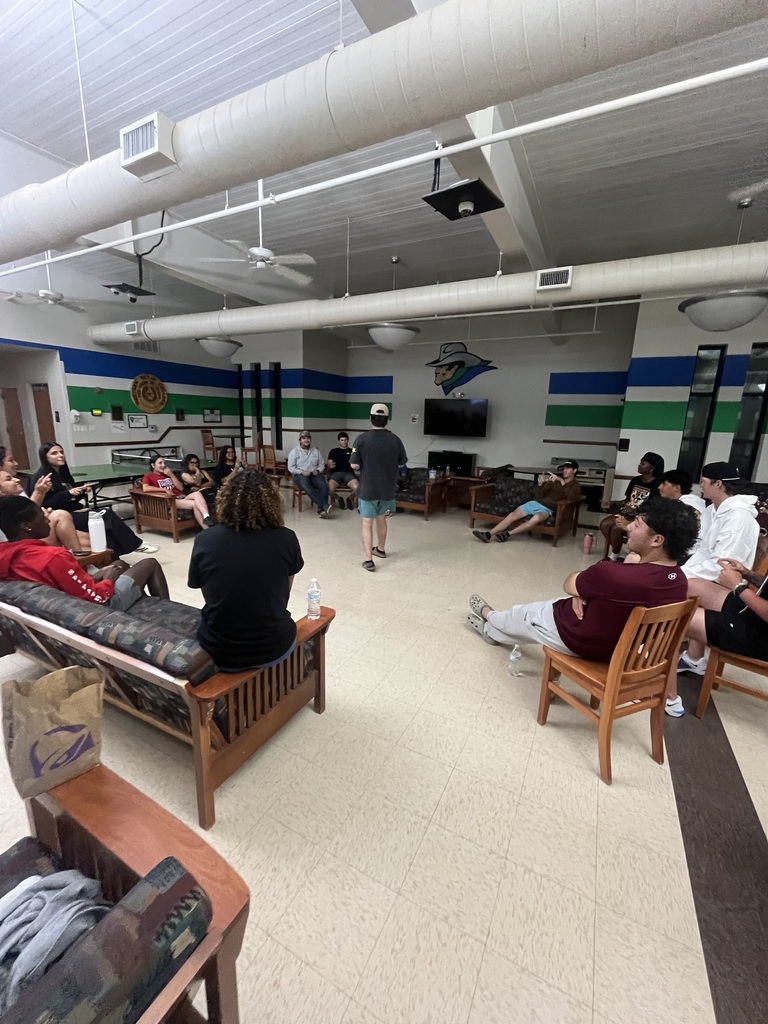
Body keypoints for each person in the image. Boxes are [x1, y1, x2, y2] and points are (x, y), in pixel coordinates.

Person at [467, 498, 698, 664]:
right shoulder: (679, 583)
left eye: (637, 524)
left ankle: (489, 617)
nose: (628, 527)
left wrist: (579, 592)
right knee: (527, 621)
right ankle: (492, 631)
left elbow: (569, 583)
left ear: (657, 540)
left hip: (575, 636)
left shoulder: (613, 574)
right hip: (618, 651)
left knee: (522, 616)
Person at [188, 469, 304, 672]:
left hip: (220, 648)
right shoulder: (287, 538)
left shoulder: (205, 540)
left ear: (226, 501)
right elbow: (283, 593)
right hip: (274, 645)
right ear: (272, 502)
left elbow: (210, 595)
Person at [0, 497, 168, 610]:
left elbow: (60, 584)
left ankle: (143, 608)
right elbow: (96, 598)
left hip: (59, 608)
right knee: (149, 564)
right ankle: (166, 612)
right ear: (26, 526)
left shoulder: (6, 555)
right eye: (41, 516)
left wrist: (99, 575)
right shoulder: (53, 557)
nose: (48, 519)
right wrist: (108, 579)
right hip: (94, 611)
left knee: (120, 565)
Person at [675, 462, 760, 676]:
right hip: (712, 575)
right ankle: (694, 659)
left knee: (677, 587)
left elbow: (721, 566)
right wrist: (682, 569)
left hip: (728, 583)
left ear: (718, 484)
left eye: (703, 482)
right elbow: (702, 549)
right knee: (675, 578)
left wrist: (681, 575)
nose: (700, 487)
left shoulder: (738, 517)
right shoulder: (714, 510)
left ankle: (656, 649)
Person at [666, 556, 768, 717]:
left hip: (759, 637)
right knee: (690, 585)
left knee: (675, 617)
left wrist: (738, 587)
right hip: (752, 616)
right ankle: (694, 660)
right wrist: (748, 574)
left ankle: (668, 696)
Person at [26, 442, 157, 556]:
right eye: (54, 453)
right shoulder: (42, 477)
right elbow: (46, 504)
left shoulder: (63, 473)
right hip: (59, 517)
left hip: (73, 510)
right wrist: (69, 493)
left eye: (61, 452)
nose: (60, 455)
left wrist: (80, 492)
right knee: (106, 514)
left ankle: (114, 555)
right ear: (45, 457)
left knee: (104, 523)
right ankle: (136, 544)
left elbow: (70, 498)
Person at [350, 403, 407, 572]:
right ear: (386, 420)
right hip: (388, 489)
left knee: (367, 523)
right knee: (382, 519)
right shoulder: (396, 439)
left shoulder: (361, 439)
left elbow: (354, 465)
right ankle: (380, 549)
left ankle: (368, 560)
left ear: (371, 418)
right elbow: (402, 462)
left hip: (368, 489)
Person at [472, 461, 581, 542]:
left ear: (574, 471)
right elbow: (539, 494)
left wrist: (562, 481)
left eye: (568, 468)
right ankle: (489, 534)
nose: (565, 470)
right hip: (536, 503)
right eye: (564, 468)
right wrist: (540, 484)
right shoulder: (553, 481)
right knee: (512, 515)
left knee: (535, 519)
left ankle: (508, 534)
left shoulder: (575, 485)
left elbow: (572, 497)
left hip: (548, 509)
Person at [0, 470, 91, 551]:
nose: (17, 480)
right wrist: (40, 516)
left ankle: (86, 560)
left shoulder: (18, 497)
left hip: (29, 533)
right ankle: (80, 561)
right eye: (9, 479)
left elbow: (28, 513)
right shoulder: (6, 509)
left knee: (84, 538)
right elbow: (24, 520)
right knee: (60, 516)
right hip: (19, 543)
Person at [599, 452, 665, 560]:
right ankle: (620, 552)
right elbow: (627, 501)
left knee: (616, 528)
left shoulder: (658, 485)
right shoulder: (635, 480)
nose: (639, 465)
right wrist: (612, 502)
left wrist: (635, 510)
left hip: (642, 518)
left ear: (652, 468)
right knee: (604, 524)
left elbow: (653, 508)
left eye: (643, 463)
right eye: (640, 462)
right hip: (626, 513)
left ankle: (614, 556)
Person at [142, 453, 213, 529]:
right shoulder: (148, 476)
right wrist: (164, 489)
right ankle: (206, 529)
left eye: (164, 463)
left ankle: (206, 516)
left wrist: (171, 475)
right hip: (171, 500)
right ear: (153, 465)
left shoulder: (168, 475)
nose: (163, 465)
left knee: (197, 494)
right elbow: (145, 488)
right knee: (195, 504)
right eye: (160, 463)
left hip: (181, 497)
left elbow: (181, 488)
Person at [287, 430, 330, 517]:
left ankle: (321, 509)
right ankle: (324, 505)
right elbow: (291, 468)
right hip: (300, 475)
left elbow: (321, 464)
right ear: (300, 440)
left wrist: (318, 470)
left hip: (314, 474)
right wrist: (301, 472)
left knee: (324, 485)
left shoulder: (316, 451)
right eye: (303, 438)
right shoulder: (294, 452)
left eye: (308, 438)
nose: (306, 440)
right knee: (307, 486)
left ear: (310, 440)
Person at [326, 432, 359, 510]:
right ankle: (339, 499)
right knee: (328, 489)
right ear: (339, 441)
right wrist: (330, 465)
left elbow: (357, 462)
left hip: (349, 474)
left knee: (358, 488)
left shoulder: (352, 451)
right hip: (336, 474)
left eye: (346, 440)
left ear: (348, 440)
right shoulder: (333, 451)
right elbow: (329, 463)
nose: (344, 442)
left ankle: (349, 499)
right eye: (342, 440)